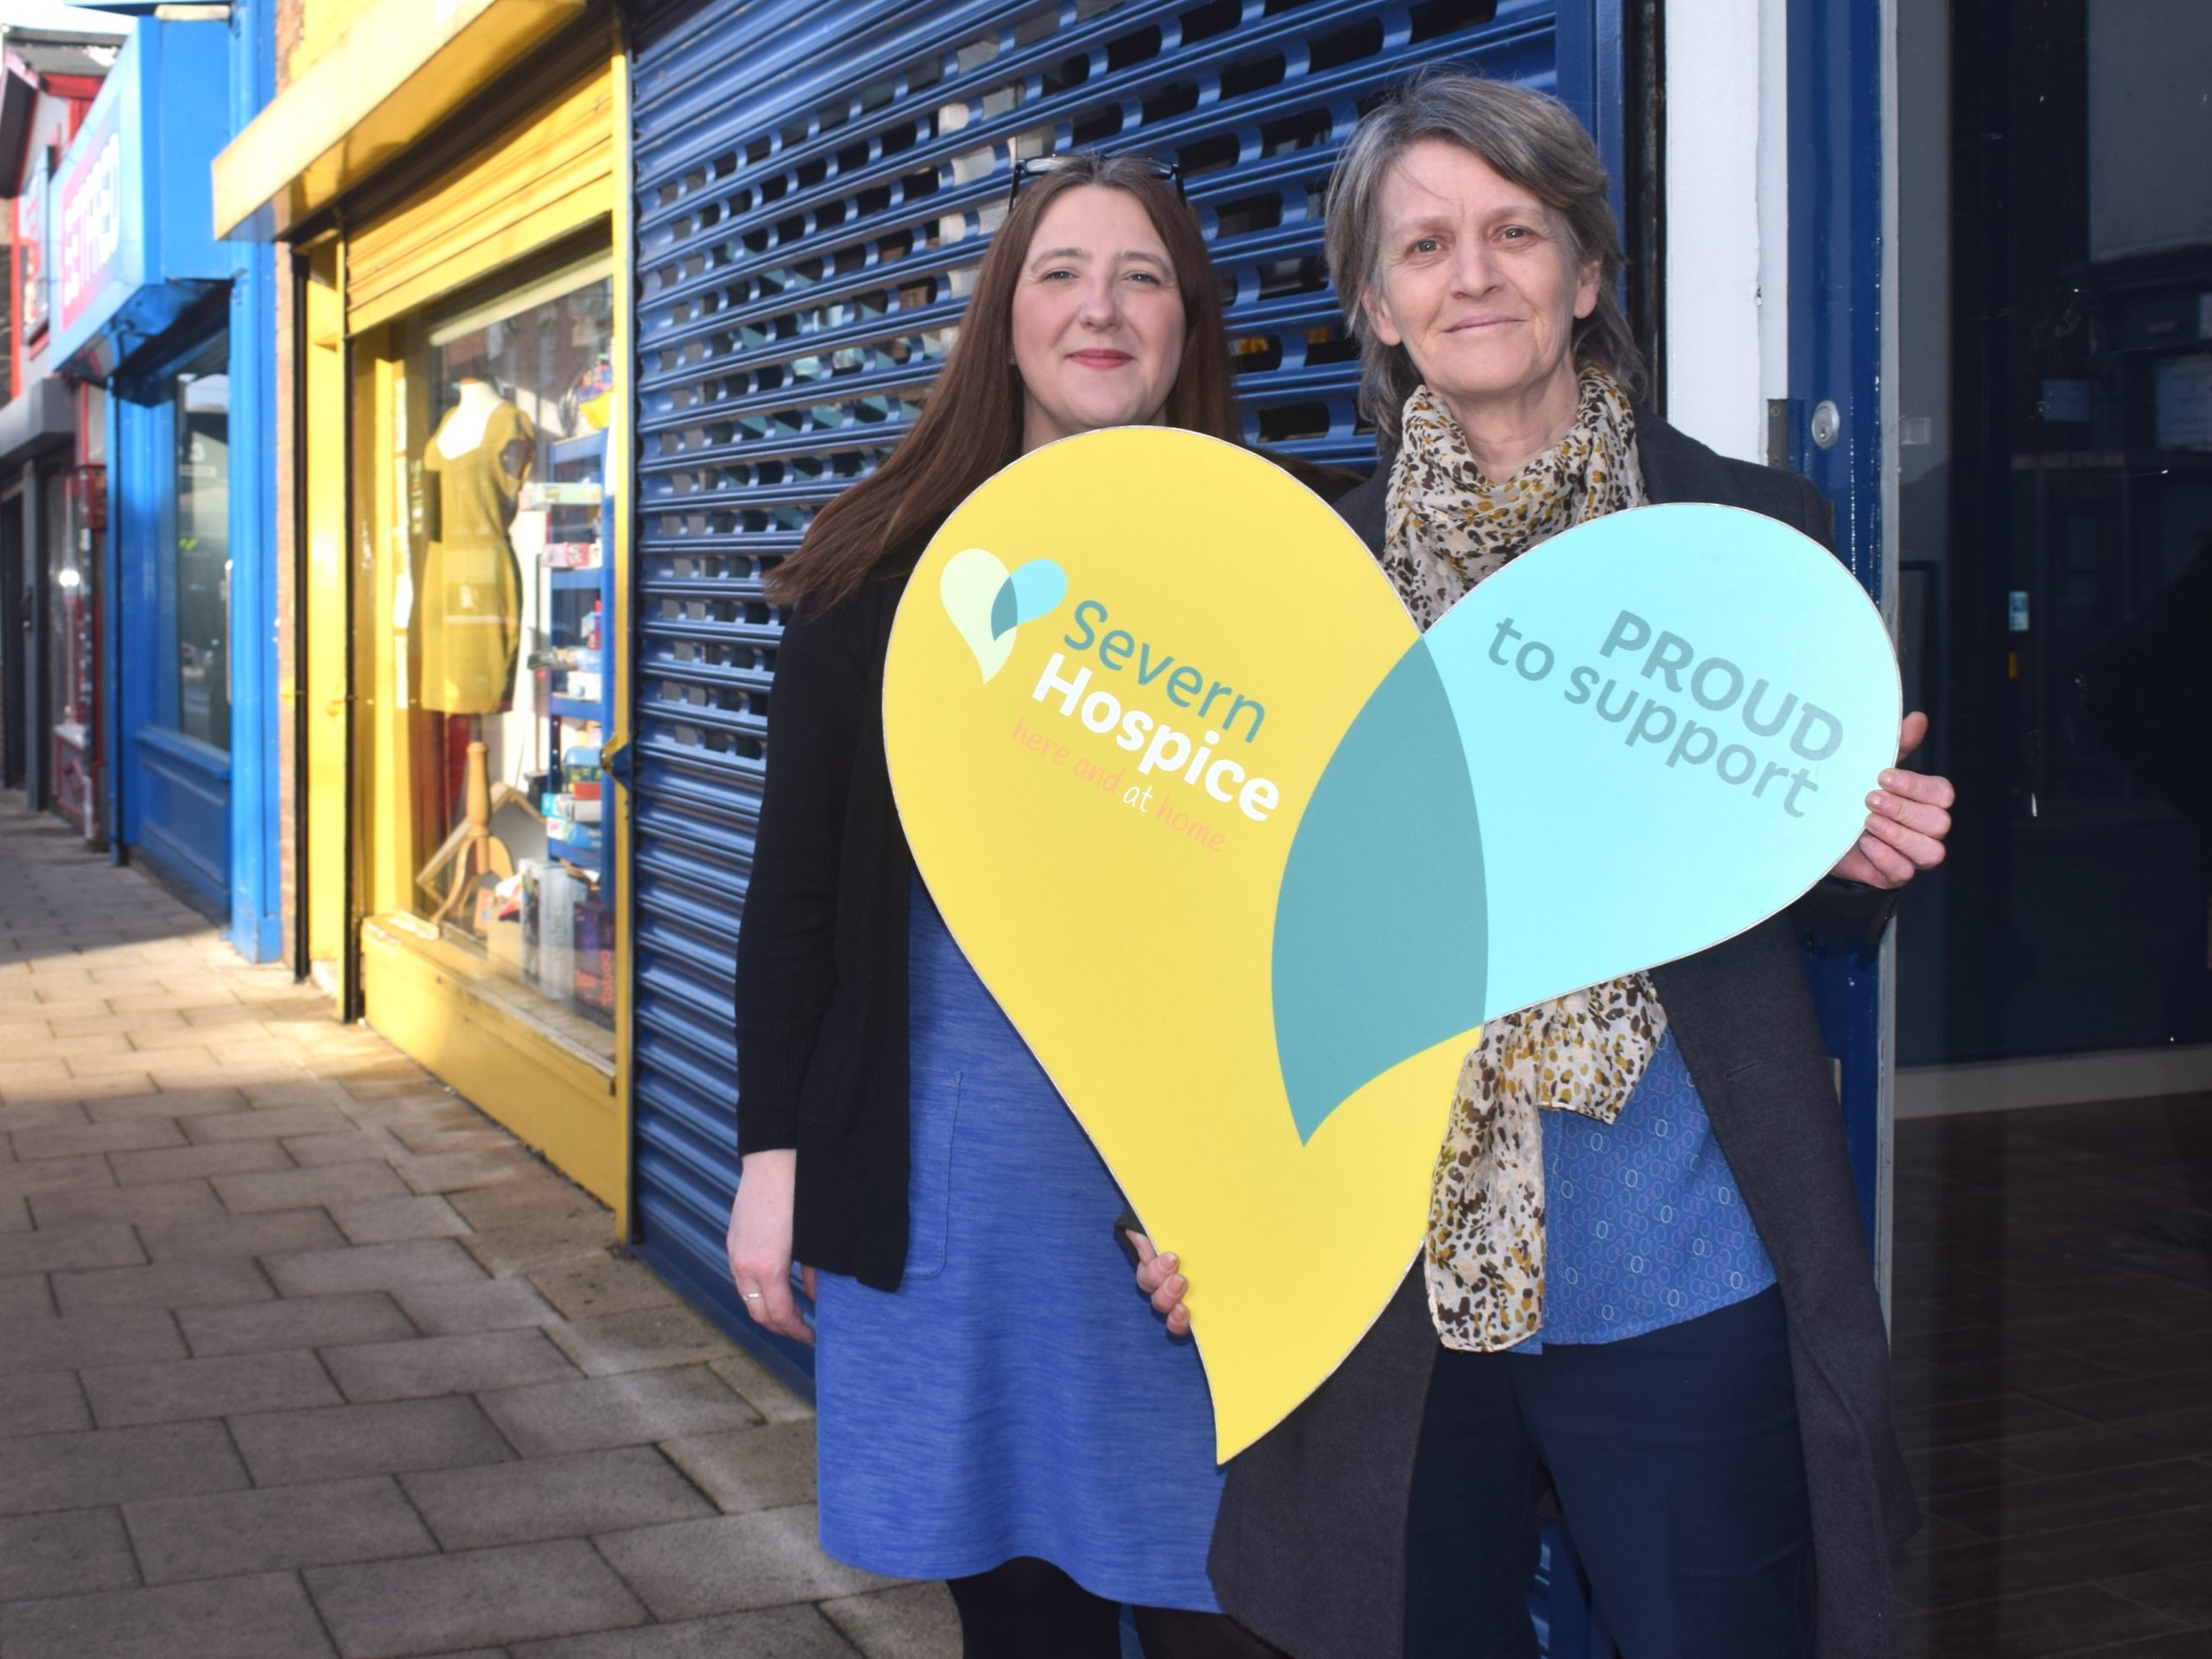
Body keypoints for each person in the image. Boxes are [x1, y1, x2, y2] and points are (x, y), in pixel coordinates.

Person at [1135, 73, 1952, 1659]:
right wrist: (1188, 1202)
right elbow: (1220, 923)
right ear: (1375, 303)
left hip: (1683, 1259)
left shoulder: (1750, 536)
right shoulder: (1307, 578)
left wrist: (1860, 856)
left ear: (1587, 277)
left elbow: (1815, 891)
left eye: (1516, 231)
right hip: (1385, 1277)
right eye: (1425, 245)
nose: (1475, 273)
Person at [728, 150, 1282, 1659]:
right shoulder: (874, 578)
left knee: (1220, 1608)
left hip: (1189, 1220)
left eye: (1142, 277)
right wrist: (770, 1156)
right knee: (1020, 1621)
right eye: (1061, 273)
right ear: (1005, 316)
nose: (1100, 309)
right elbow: (791, 906)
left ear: (1187, 325)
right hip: (957, 1193)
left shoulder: (1269, 574)